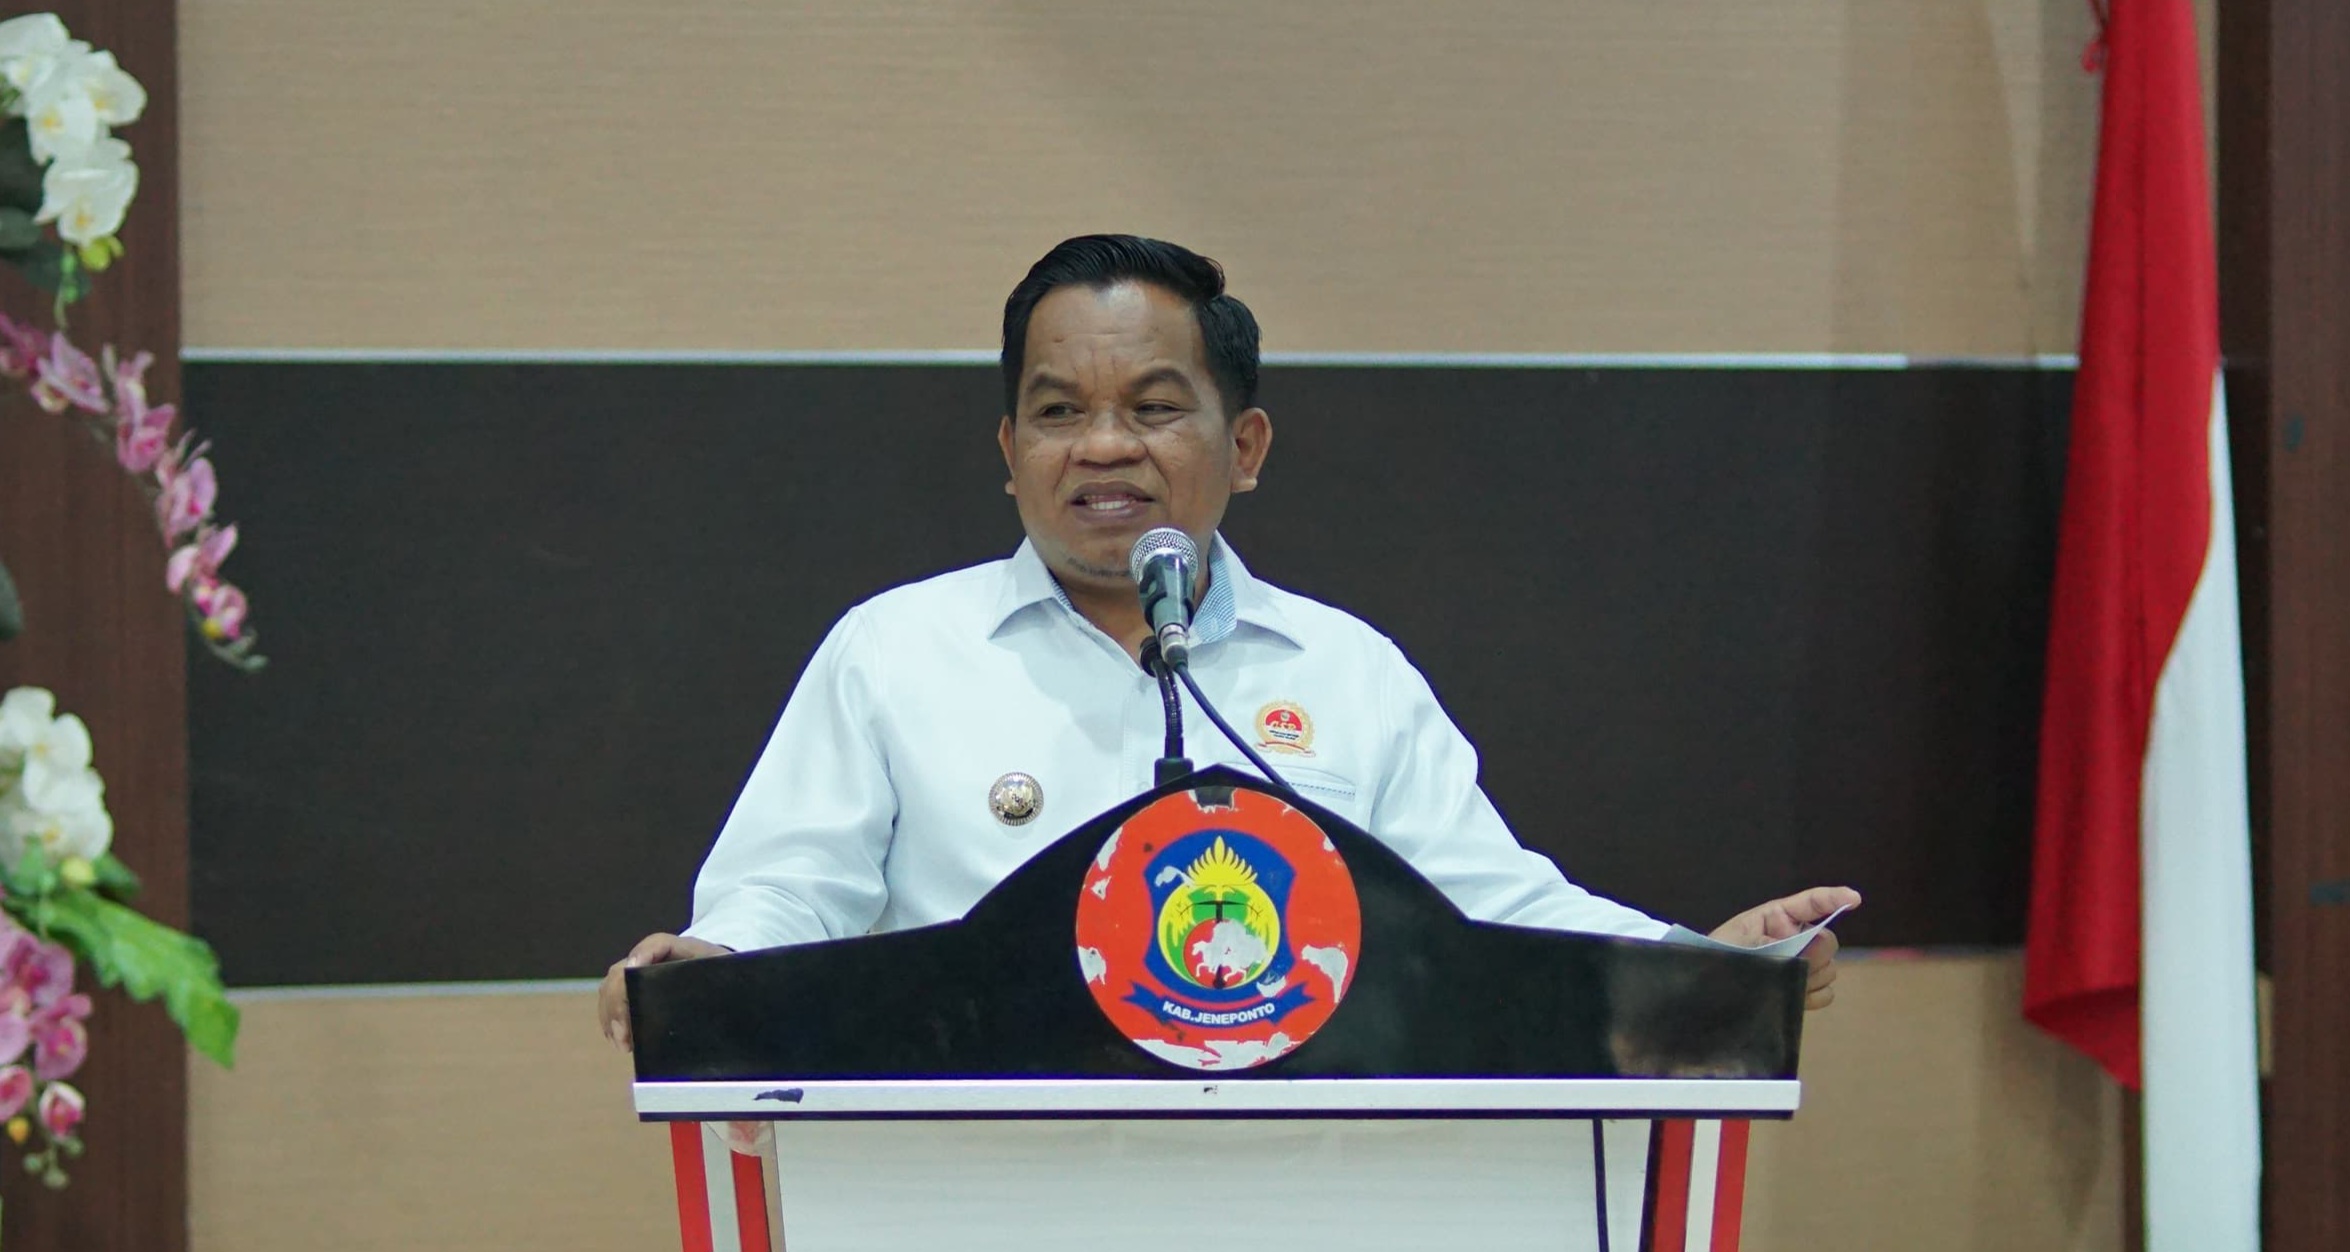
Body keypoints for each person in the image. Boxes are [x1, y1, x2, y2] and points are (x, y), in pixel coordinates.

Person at [600, 235, 1860, 1049]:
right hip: (981, 1179)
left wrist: (1699, 966)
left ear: (1242, 446)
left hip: (1292, 1184)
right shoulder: (895, 653)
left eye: (1154, 408)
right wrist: (711, 965)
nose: (1103, 447)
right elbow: (790, 888)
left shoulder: (1344, 672)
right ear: (1009, 453)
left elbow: (1492, 901)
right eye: (1058, 412)